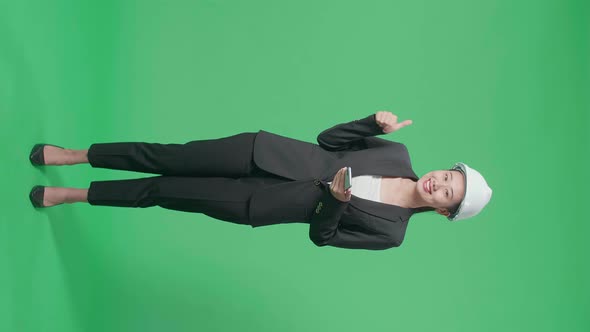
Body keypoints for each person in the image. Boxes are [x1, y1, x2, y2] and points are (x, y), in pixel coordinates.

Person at [28, 111, 492, 250]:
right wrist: (371, 124)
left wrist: (333, 202)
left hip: (258, 203)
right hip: (262, 151)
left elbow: (322, 236)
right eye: (448, 176)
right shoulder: (397, 152)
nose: (439, 184)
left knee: (162, 191)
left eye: (449, 193)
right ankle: (76, 156)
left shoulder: (391, 233)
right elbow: (327, 139)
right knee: (166, 156)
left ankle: (73, 195)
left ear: (445, 212)